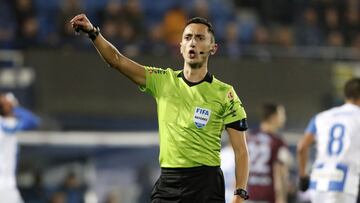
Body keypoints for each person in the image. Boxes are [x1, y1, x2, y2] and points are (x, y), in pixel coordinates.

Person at [70, 14, 250, 202]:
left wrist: (240, 194)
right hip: (169, 183)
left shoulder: (225, 93)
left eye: (200, 38)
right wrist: (93, 33)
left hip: (205, 184)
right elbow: (116, 60)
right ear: (180, 47)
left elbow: (241, 151)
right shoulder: (163, 80)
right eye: (188, 38)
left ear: (213, 48)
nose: (193, 43)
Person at [297, 78, 360, 203]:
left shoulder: (321, 117)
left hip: (318, 182)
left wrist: (303, 176)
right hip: (344, 182)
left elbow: (302, 147)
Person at [222, 103, 292, 203]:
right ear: (273, 117)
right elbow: (280, 173)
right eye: (282, 115)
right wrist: (281, 199)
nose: (284, 118)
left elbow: (239, 165)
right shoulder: (277, 142)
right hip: (267, 195)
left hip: (247, 194)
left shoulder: (248, 137)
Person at [0, 92, 41, 203]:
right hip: (4, 185)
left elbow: (34, 121)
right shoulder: (5, 124)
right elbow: (33, 120)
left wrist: (13, 107)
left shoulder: (10, 123)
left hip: (7, 184)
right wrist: (13, 107)